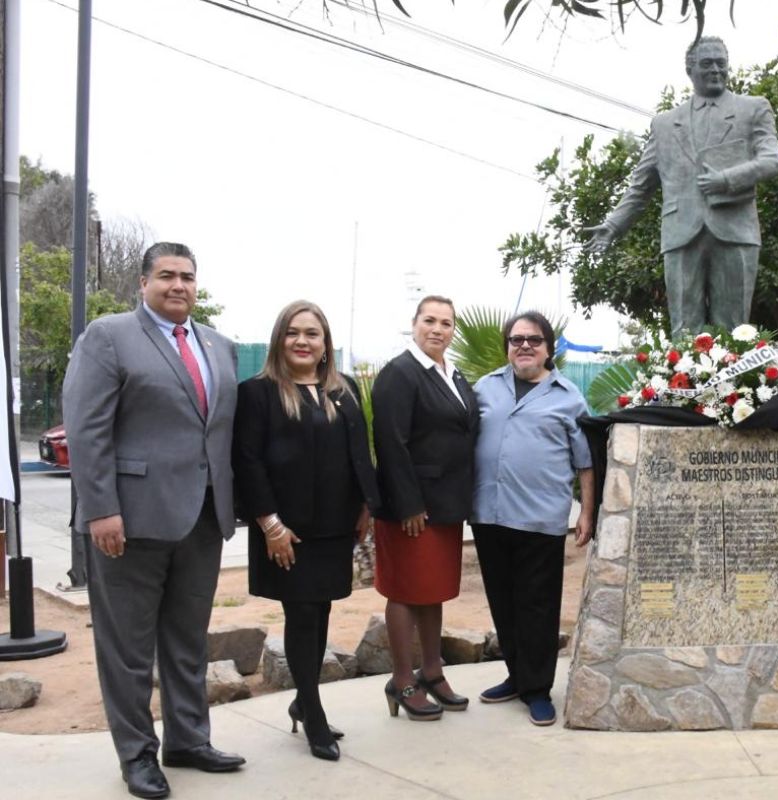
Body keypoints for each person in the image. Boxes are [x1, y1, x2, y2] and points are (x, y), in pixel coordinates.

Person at [63, 242, 244, 799]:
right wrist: (100, 509)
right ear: (143, 283)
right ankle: (137, 754)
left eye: (187, 277)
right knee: (128, 647)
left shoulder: (219, 345)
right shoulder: (109, 336)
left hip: (202, 518)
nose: (178, 286)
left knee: (187, 638)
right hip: (129, 521)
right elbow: (86, 426)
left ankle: (188, 739)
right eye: (166, 276)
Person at [232, 301, 380, 760]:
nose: (302, 341)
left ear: (325, 343)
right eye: (293, 332)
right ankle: (312, 714)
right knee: (301, 615)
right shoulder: (257, 393)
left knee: (321, 613)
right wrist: (270, 524)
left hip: (336, 526)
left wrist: (366, 506)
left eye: (312, 333)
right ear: (280, 339)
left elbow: (360, 453)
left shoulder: (345, 389)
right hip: (286, 530)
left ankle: (303, 699)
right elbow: (248, 462)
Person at [584, 36, 778, 335]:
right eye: (707, 64)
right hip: (681, 232)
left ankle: (735, 384)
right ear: (690, 70)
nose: (716, 69)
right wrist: (613, 225)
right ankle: (682, 382)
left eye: (721, 63)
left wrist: (727, 180)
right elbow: (641, 184)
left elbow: (774, 160)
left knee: (734, 331)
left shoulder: (753, 109)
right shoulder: (665, 123)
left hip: (735, 230)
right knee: (683, 331)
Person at [471, 311, 595, 727]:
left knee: (537, 606)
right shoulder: (485, 388)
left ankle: (538, 689)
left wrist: (587, 513)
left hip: (541, 518)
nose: (524, 346)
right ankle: (516, 676)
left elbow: (586, 463)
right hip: (489, 515)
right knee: (503, 603)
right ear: (507, 344)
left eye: (534, 340)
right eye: (517, 339)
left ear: (549, 347)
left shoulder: (569, 397)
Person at [371, 296, 479, 721]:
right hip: (412, 508)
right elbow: (390, 441)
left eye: (446, 323)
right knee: (404, 591)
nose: (438, 329)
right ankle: (401, 679)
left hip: (447, 504)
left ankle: (432, 671)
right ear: (414, 323)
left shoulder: (452, 373)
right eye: (429, 320)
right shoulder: (400, 373)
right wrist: (408, 503)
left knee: (431, 590)